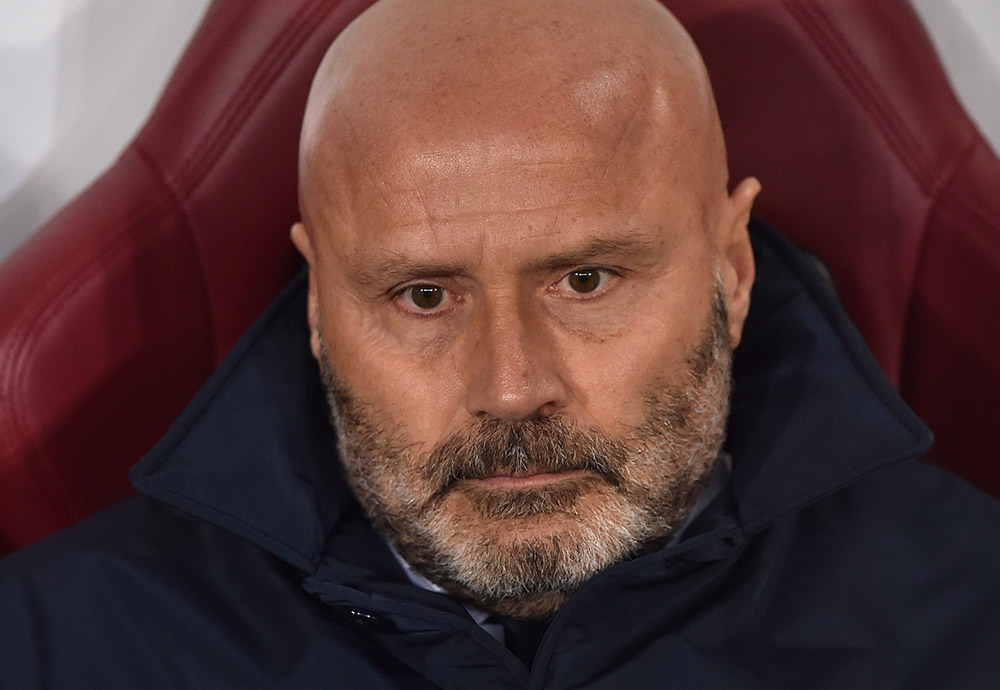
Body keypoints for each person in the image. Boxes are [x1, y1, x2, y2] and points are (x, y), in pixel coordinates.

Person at [1, 0, 999, 687]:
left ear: (730, 272)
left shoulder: (972, 625)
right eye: (424, 295)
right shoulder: (56, 648)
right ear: (317, 307)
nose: (512, 387)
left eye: (585, 280)